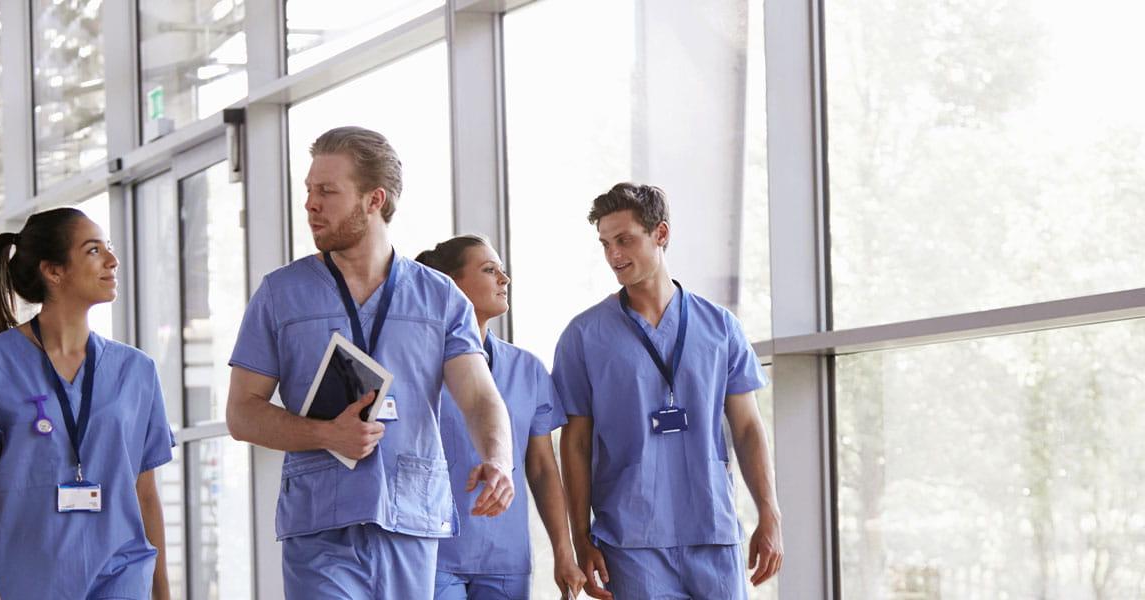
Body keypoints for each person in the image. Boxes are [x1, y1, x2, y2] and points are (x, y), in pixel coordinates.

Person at [225, 126, 514, 600]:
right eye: (309, 191)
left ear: (373, 200)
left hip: (411, 517)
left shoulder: (441, 298)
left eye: (327, 192)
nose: (310, 204)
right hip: (321, 524)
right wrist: (324, 434)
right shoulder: (281, 295)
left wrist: (498, 459)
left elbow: (480, 395)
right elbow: (242, 412)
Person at [554, 183, 783, 600]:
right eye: (605, 244)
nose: (614, 255)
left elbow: (748, 427)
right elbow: (576, 442)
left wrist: (770, 511)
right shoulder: (584, 336)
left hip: (713, 530)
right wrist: (579, 536)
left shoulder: (721, 328)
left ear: (661, 234)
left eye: (625, 240)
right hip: (630, 541)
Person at [0, 207, 174, 599]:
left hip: (121, 571)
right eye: (93, 250)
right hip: (28, 575)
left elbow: (146, 491)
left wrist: (162, 591)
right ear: (54, 271)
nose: (112, 260)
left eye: (110, 248)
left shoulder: (137, 370)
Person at [418, 236, 588, 599]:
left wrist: (564, 552)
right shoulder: (417, 366)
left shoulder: (527, 369)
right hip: (431, 553)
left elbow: (542, 468)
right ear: (451, 283)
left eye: (503, 271)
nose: (504, 280)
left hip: (505, 560)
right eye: (489, 270)